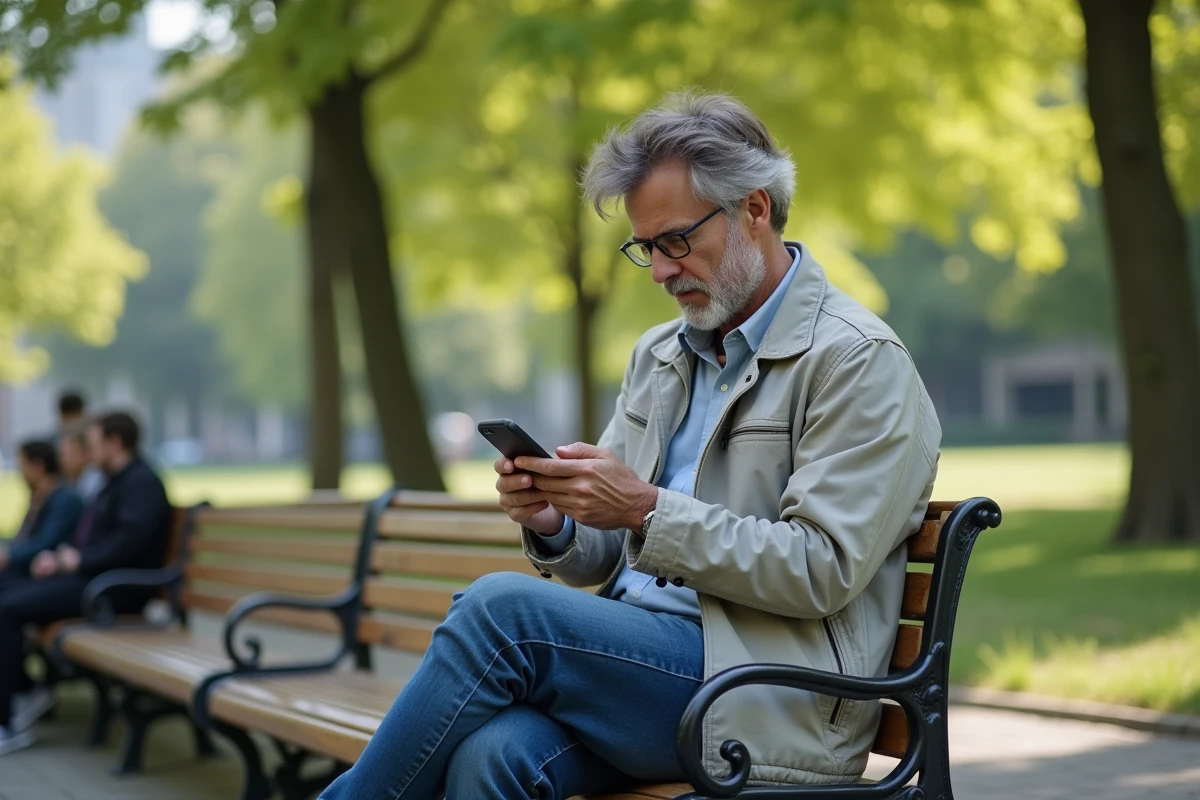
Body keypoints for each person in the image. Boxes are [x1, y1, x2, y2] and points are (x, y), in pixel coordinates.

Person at [320, 93, 941, 799]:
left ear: (755, 209)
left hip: (763, 690)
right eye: (647, 247)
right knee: (492, 755)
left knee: (503, 611)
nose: (659, 270)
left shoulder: (856, 361)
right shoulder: (660, 355)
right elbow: (604, 554)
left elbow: (821, 568)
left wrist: (647, 510)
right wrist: (556, 520)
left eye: (676, 240)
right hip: (641, 669)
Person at [0, 411, 172, 756]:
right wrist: (64, 556)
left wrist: (78, 559)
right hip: (95, 580)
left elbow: (129, 543)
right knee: (6, 591)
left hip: (117, 592)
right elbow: (98, 539)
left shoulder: (141, 483)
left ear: (115, 442)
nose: (89, 452)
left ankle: (6, 720)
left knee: (7, 607)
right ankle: (25, 690)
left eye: (93, 444)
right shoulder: (115, 482)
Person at [0, 441, 84, 585]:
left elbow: (47, 541)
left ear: (38, 465)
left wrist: (9, 555)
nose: (20, 472)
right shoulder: (40, 496)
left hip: (49, 572)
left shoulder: (65, 499)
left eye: (22, 464)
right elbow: (23, 538)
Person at [57, 422, 105, 504]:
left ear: (84, 453)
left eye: (67, 455)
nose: (62, 460)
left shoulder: (96, 481)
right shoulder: (67, 482)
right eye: (60, 455)